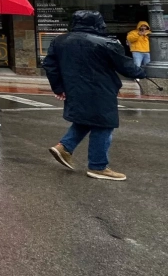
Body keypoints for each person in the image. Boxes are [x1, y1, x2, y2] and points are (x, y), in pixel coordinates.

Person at [43, 11, 144, 181]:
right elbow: (126, 66)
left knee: (85, 119)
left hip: (74, 88)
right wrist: (141, 72)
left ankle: (65, 147)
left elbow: (50, 65)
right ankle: (98, 166)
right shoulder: (106, 43)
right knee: (104, 124)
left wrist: (58, 88)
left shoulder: (59, 41)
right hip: (101, 89)